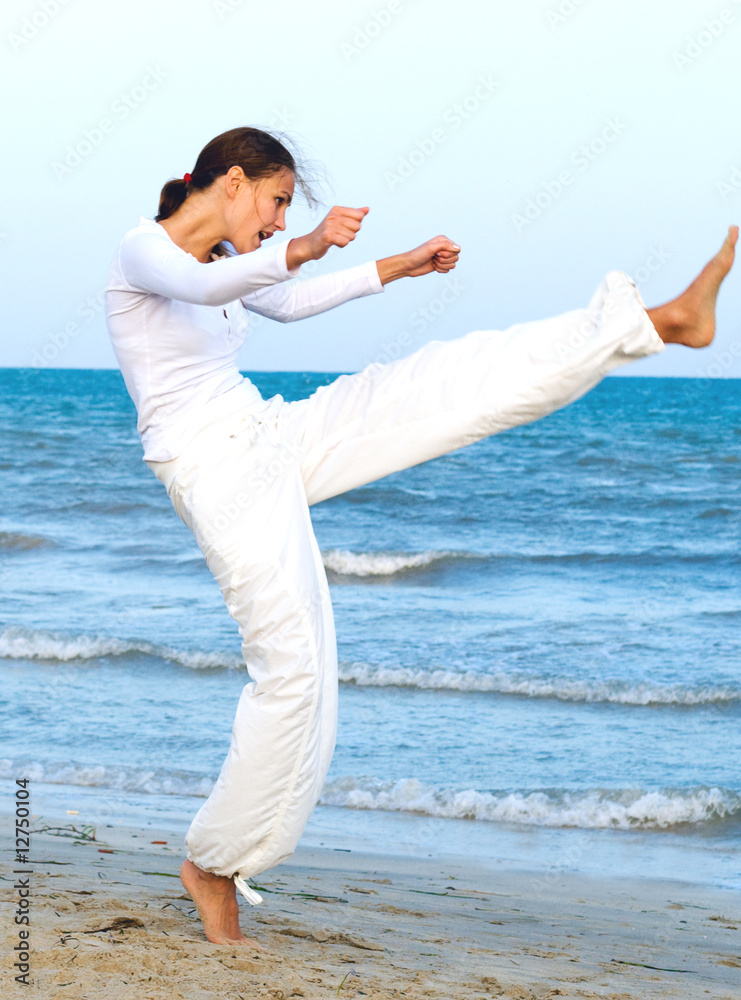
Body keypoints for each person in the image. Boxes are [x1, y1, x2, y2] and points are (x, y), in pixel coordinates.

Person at [105, 126, 737, 946]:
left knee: (424, 389)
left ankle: (649, 323)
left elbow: (285, 300)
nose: (277, 220)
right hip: (217, 471)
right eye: (276, 201)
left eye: (285, 211)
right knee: (294, 668)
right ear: (233, 181)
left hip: (264, 434)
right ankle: (213, 864)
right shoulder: (144, 252)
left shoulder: (227, 260)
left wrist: (396, 266)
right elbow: (204, 285)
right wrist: (302, 246)